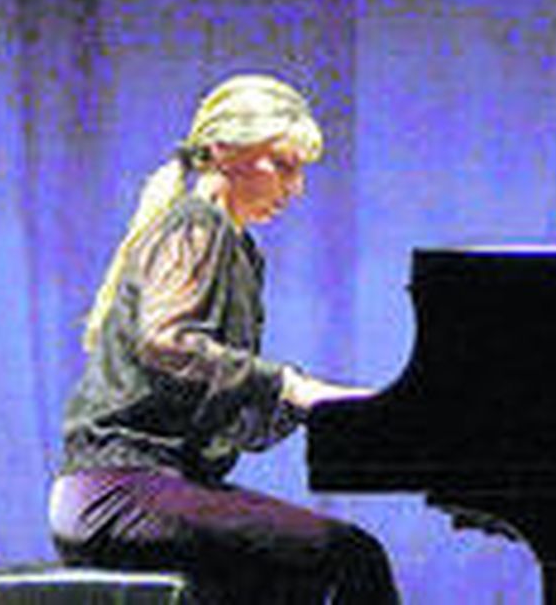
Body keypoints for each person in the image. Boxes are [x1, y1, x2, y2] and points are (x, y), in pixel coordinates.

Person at [48, 74, 400, 604]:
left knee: (292, 577)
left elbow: (232, 414)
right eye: (282, 165)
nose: (295, 187)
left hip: (153, 489)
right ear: (222, 152)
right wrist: (292, 386)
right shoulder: (196, 225)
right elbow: (166, 343)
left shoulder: (241, 251)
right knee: (352, 554)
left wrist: (327, 406)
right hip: (118, 490)